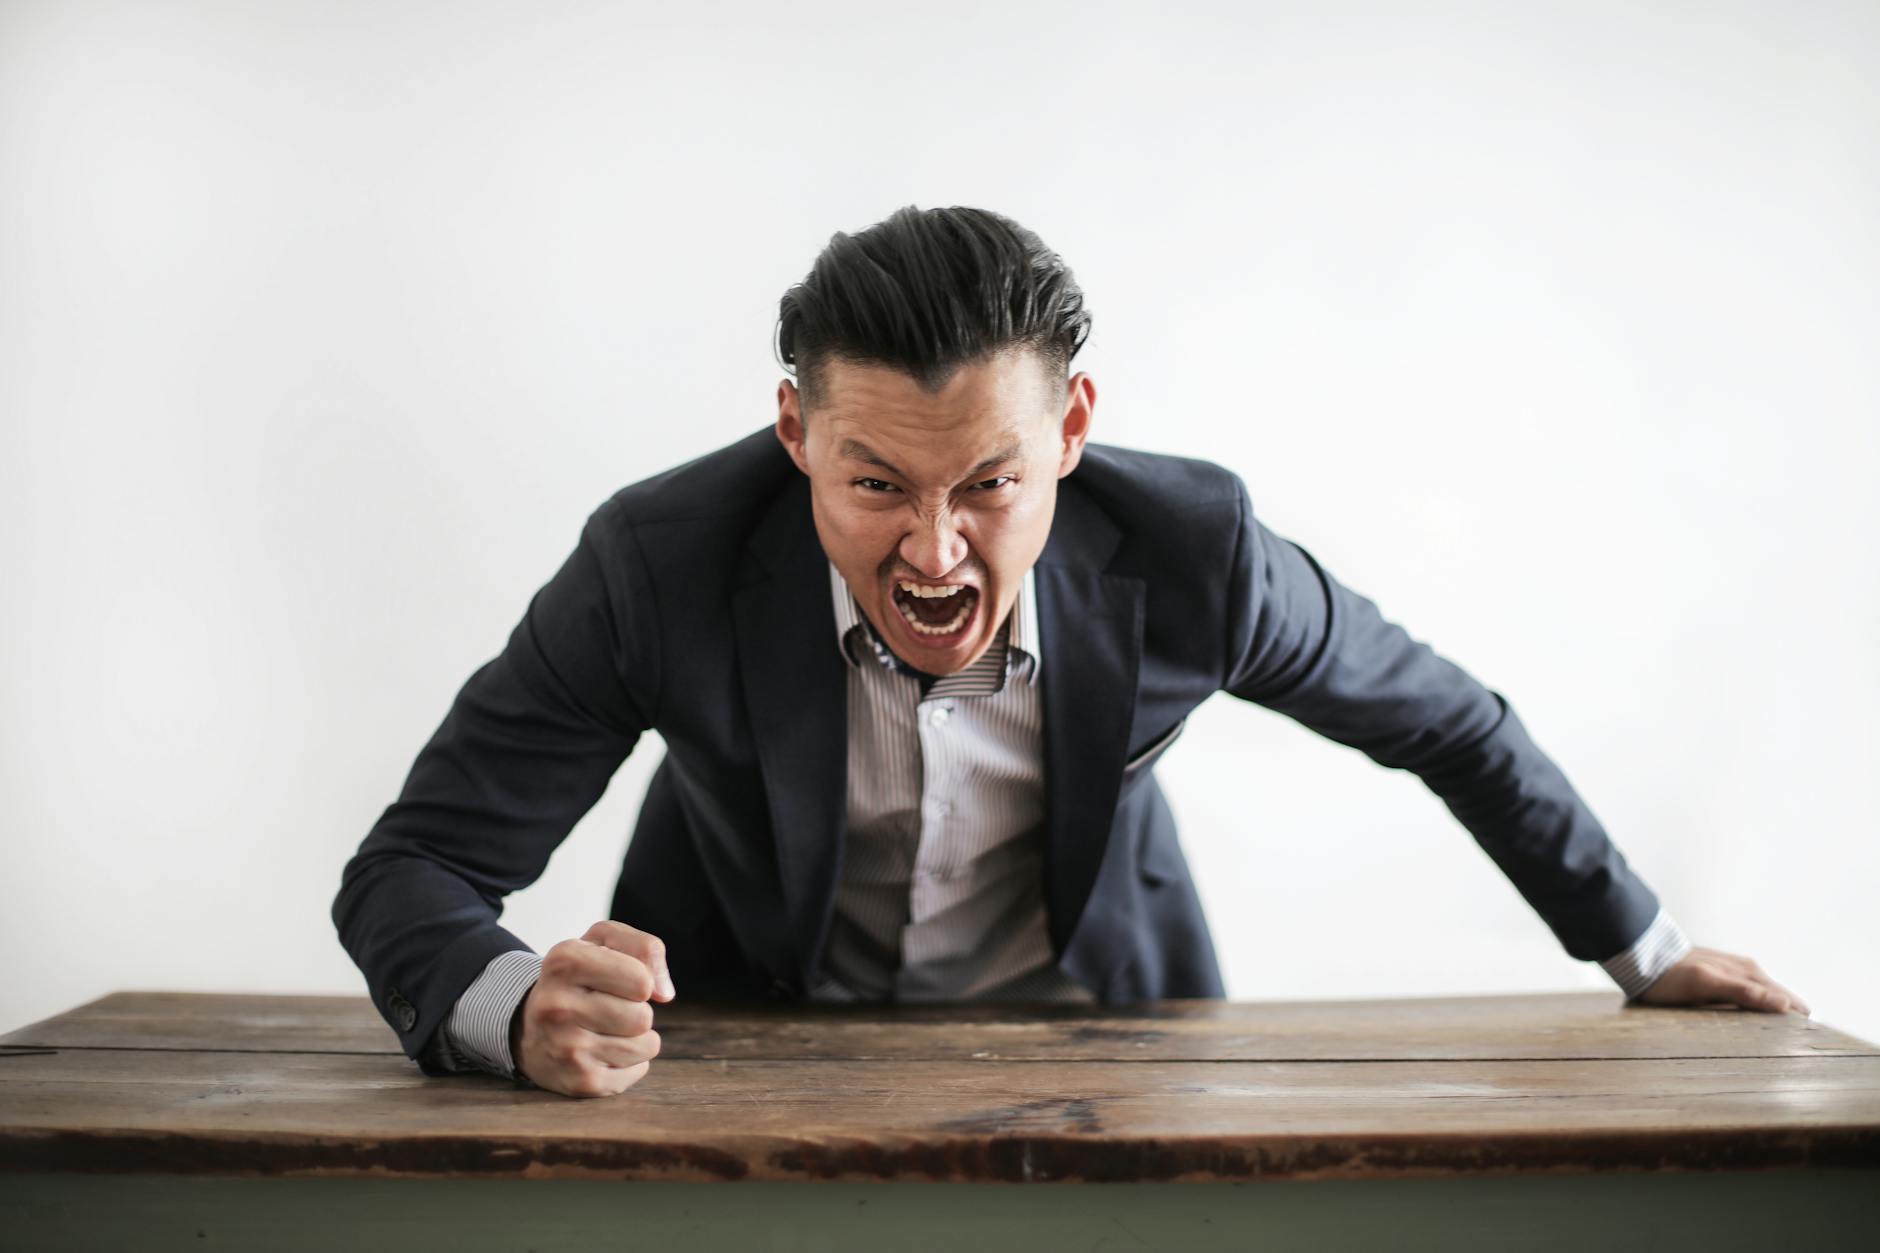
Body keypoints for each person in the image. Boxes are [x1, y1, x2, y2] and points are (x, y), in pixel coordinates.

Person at [332, 204, 1810, 1100]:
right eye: (873, 484)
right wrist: (514, 1006)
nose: (932, 552)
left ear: (1074, 434)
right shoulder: (657, 566)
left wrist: (1646, 946)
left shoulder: (1198, 556)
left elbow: (1449, 722)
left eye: (988, 483)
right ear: (795, 436)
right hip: (740, 1044)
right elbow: (409, 870)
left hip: (1107, 1037)